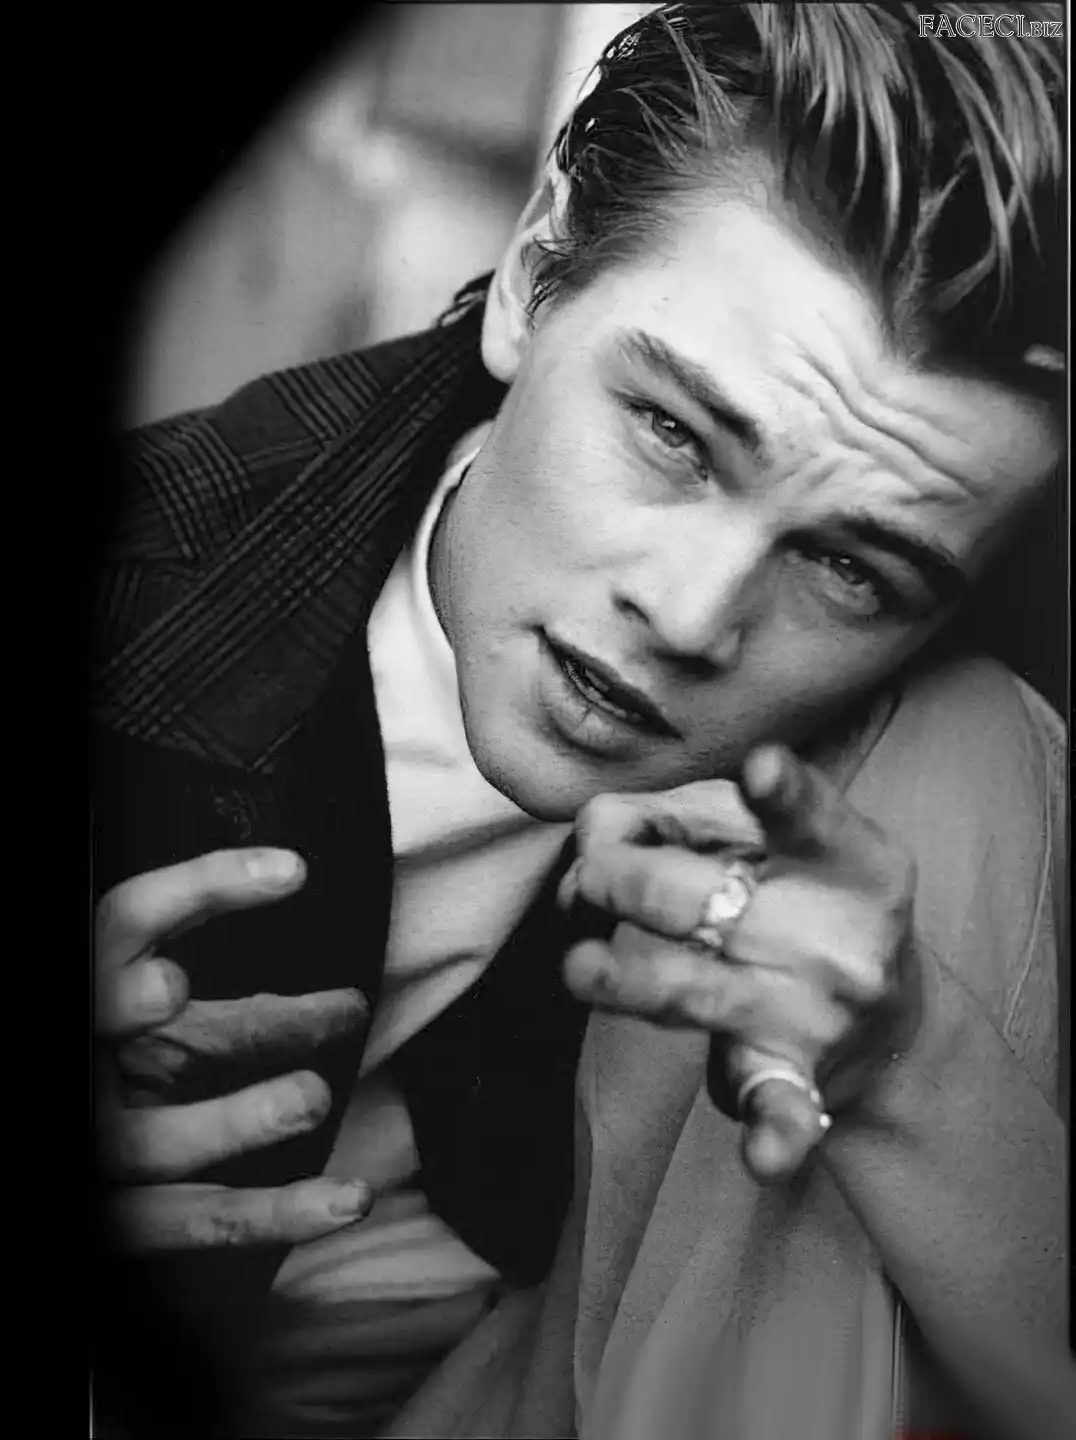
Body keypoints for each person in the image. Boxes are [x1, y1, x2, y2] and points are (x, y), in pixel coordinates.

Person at [88, 5, 1069, 1437]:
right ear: (534, 275)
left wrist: (910, 1060)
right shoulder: (146, 603)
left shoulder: (942, 744)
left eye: (852, 569)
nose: (689, 613)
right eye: (674, 433)